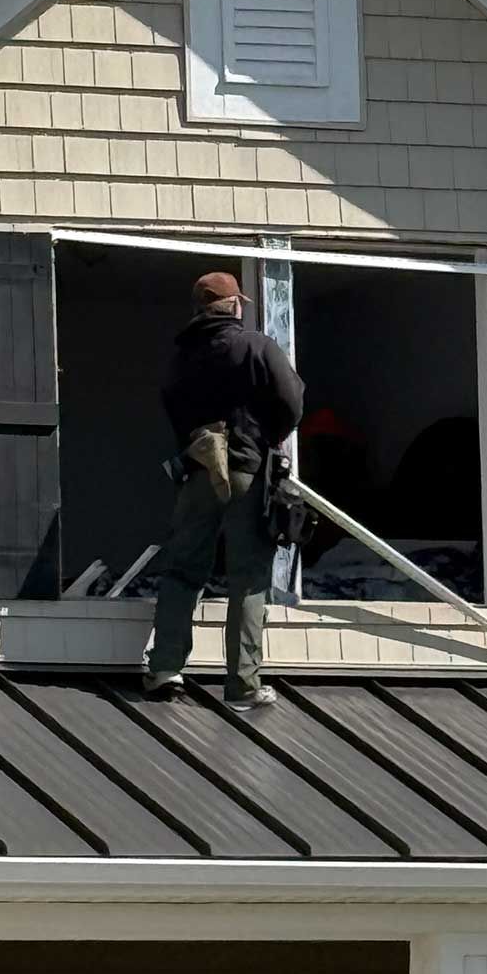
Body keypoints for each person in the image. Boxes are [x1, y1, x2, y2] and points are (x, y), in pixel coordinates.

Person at [145, 270, 305, 711]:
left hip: (198, 471)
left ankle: (165, 669)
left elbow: (171, 405)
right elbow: (291, 400)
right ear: (235, 306)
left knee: (181, 570)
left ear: (199, 310)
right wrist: (269, 435)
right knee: (248, 578)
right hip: (246, 471)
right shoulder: (254, 346)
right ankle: (242, 686)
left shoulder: (181, 358)